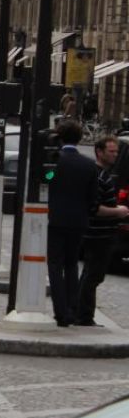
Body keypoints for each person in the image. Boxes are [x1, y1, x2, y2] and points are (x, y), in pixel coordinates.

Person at [46, 120, 129, 326]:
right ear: (80, 139)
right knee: (72, 264)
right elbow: (93, 200)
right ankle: (71, 308)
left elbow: (46, 178)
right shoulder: (87, 166)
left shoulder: (55, 162)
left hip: (56, 220)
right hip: (79, 222)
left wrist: (51, 175)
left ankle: (61, 311)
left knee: (55, 266)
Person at [75, 135, 125, 325]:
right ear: (99, 152)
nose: (114, 155)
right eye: (111, 151)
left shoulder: (103, 175)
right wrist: (118, 211)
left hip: (101, 233)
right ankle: (83, 315)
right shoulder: (99, 176)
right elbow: (95, 208)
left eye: (116, 152)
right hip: (97, 234)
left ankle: (83, 313)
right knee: (93, 275)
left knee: (92, 274)